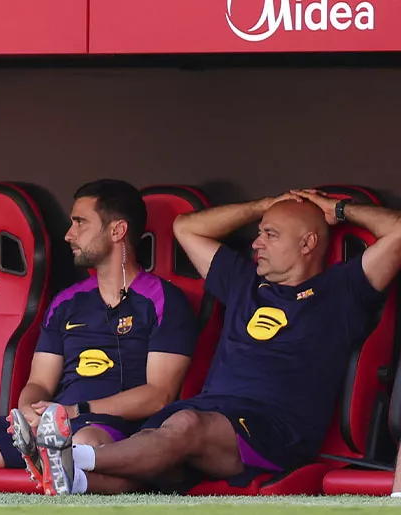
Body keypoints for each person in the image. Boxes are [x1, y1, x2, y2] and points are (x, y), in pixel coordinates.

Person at [28, 189, 401, 496]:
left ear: (308, 243)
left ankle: (73, 459)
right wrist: (263, 205)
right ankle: (74, 477)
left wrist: (337, 209)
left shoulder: (343, 290)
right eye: (259, 232)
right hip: (202, 419)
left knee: (185, 424)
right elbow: (186, 227)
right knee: (146, 464)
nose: (256, 243)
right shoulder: (244, 282)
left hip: (274, 430)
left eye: (270, 234)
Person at [0, 179, 199, 492]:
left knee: (78, 446)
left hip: (110, 428)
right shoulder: (67, 301)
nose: (69, 235)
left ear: (117, 231)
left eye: (80, 223)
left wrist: (76, 412)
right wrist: (28, 411)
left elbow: (159, 395)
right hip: (53, 425)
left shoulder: (164, 300)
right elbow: (39, 381)